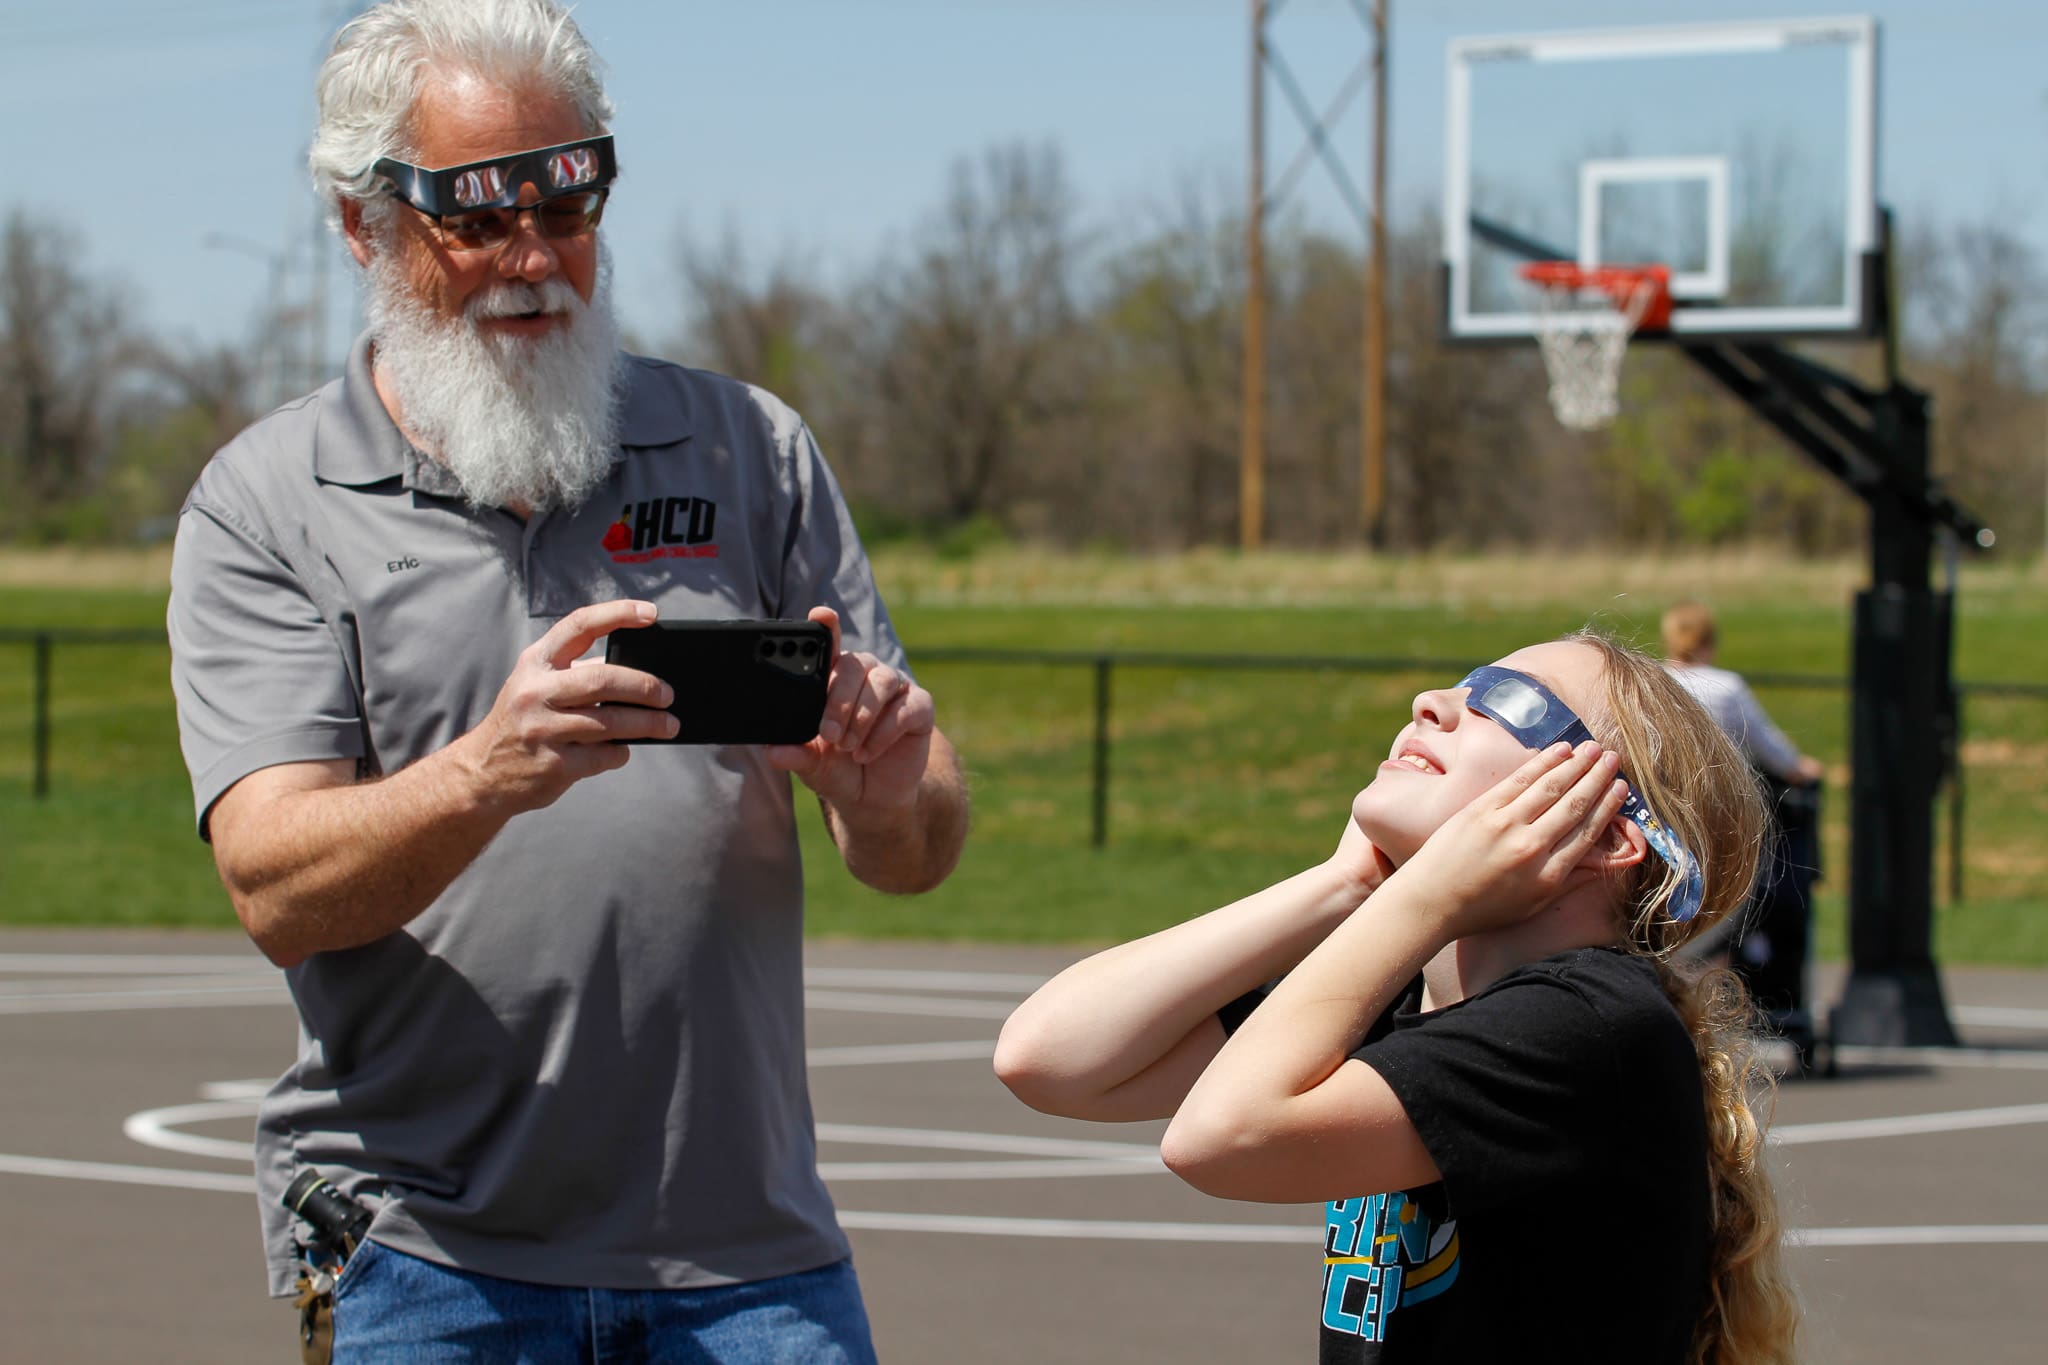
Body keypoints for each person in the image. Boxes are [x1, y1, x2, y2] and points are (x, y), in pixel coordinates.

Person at [165, 2, 968, 1359]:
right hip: (426, 1259)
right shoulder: (269, 503)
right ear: (363, 225)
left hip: (750, 1259)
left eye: (568, 201)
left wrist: (886, 795)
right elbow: (275, 889)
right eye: (476, 218)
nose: (534, 257)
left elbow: (917, 851)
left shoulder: (749, 449)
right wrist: (485, 775)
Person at [995, 634, 1799, 1363]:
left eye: (1510, 702)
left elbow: (1218, 1137)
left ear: (1611, 832)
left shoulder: (1592, 1023)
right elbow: (1048, 1058)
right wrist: (1343, 884)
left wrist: (1421, 898)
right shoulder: (1401, 994)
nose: (1432, 702)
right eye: (1463, 681)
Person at [1661, 600, 1824, 1036]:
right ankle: (1709, 1012)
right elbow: (1774, 751)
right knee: (1728, 919)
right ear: (1709, 642)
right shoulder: (1725, 688)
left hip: (1661, 820)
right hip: (1718, 824)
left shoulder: (1652, 682)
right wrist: (1803, 769)